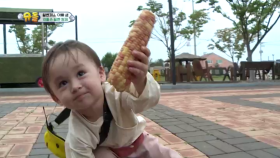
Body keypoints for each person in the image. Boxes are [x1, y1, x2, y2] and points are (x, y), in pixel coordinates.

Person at [41, 40, 182, 158]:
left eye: (81, 73)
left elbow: (146, 101)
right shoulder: (77, 136)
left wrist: (140, 82)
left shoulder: (116, 92)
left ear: (101, 73)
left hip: (140, 142)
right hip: (110, 153)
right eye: (63, 83)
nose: (75, 86)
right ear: (56, 97)